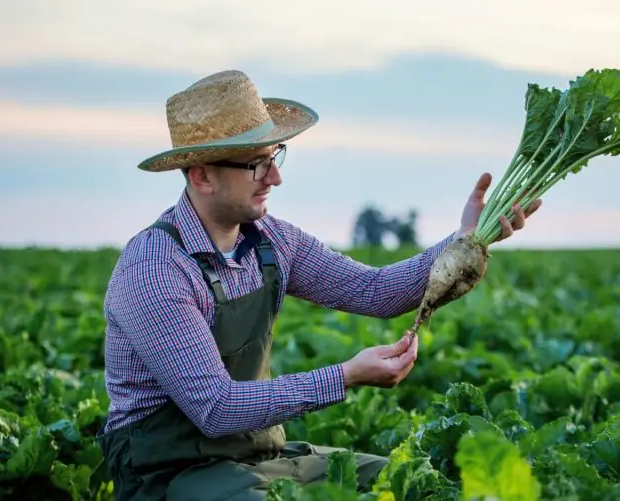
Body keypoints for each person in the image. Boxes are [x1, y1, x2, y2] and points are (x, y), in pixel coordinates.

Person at [97, 69, 542, 501]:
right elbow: (216, 408)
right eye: (256, 165)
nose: (275, 178)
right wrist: (346, 376)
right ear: (201, 176)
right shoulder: (154, 270)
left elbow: (376, 291)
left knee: (414, 484)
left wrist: (469, 239)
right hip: (169, 476)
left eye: (275, 158)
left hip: (258, 457)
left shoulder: (273, 240)